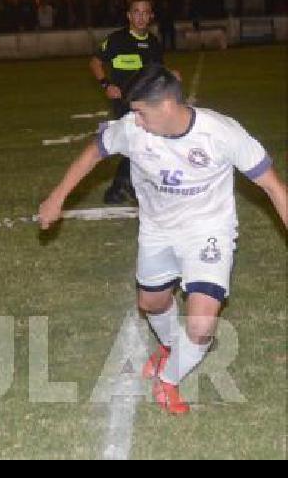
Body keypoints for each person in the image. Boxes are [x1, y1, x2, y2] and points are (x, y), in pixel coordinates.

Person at [38, 65, 287, 415]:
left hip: (207, 230)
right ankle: (171, 346)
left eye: (140, 112)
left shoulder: (222, 133)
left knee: (201, 325)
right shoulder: (132, 129)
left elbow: (274, 187)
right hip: (156, 229)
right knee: (151, 303)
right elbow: (94, 152)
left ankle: (168, 381)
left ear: (167, 106)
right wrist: (57, 196)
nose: (134, 120)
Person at [90, 0, 170, 204]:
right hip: (124, 102)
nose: (141, 17)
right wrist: (106, 84)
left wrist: (170, 76)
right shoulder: (116, 40)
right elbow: (95, 63)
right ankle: (121, 187)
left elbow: (157, 71)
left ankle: (124, 187)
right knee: (138, 141)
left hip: (147, 102)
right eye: (136, 12)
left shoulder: (154, 43)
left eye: (145, 13)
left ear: (151, 16)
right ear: (129, 15)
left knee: (139, 144)